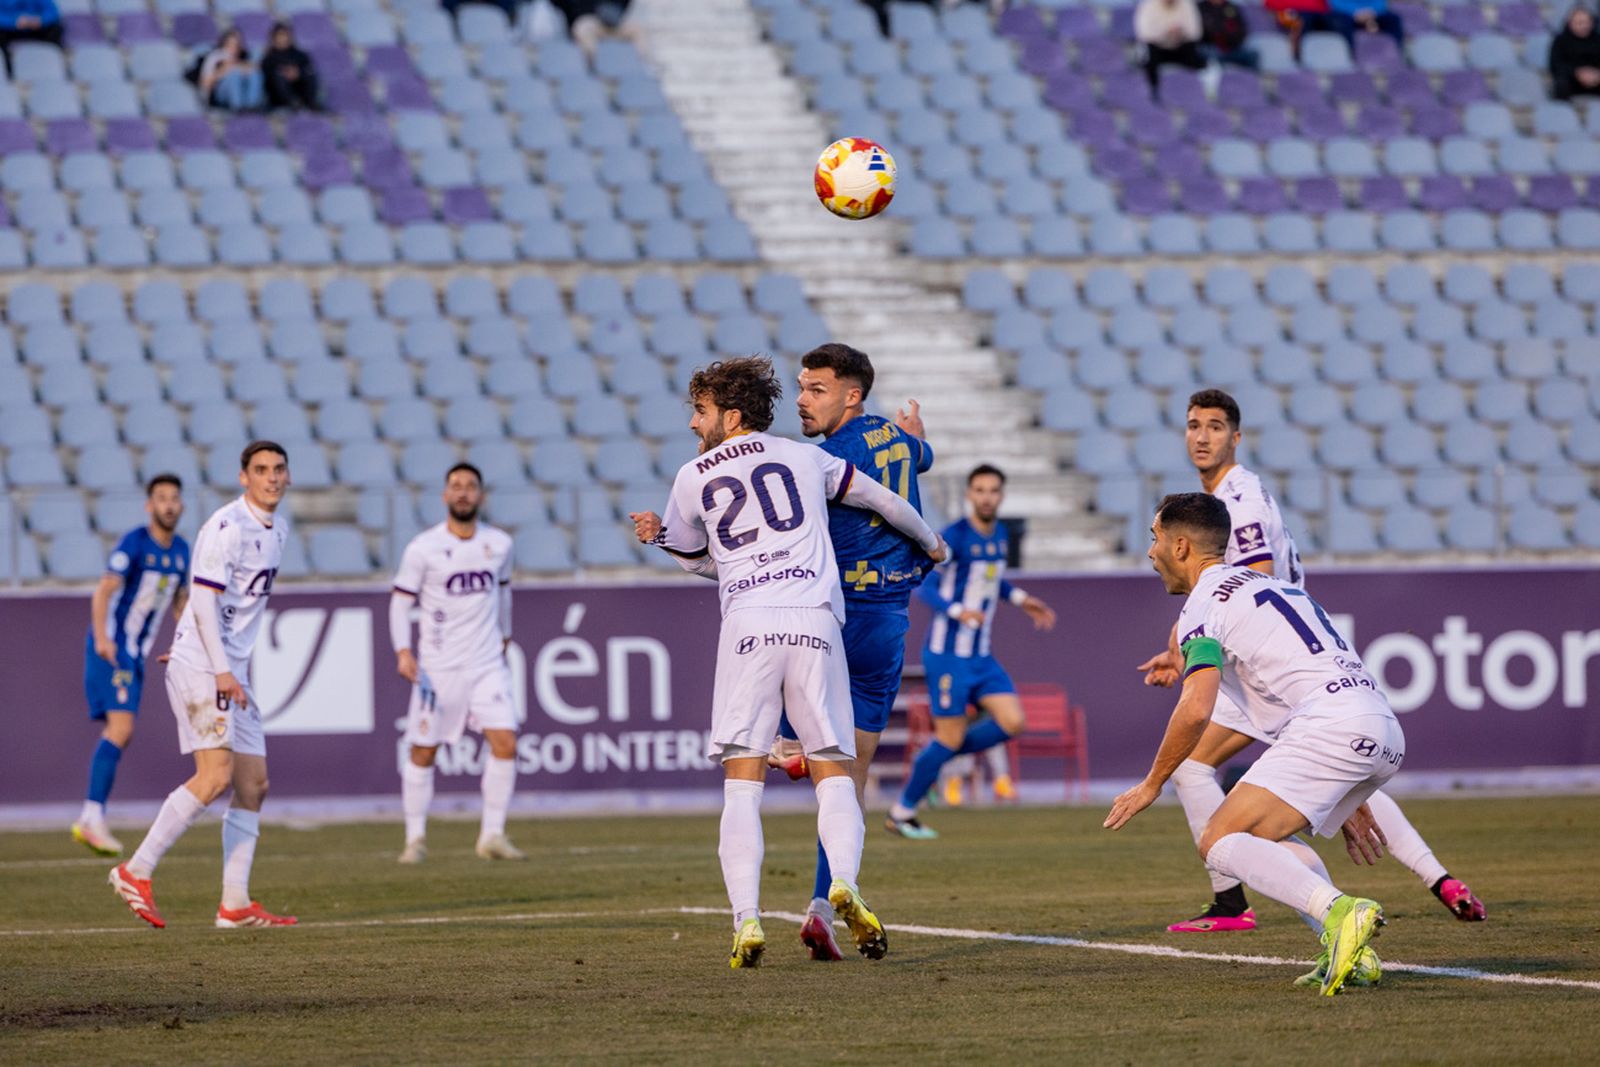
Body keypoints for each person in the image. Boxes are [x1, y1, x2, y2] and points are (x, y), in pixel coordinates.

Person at [629, 356, 948, 968]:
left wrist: (661, 536)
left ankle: (747, 919)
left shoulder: (692, 476)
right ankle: (844, 887)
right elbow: (886, 501)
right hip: (816, 619)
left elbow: (701, 561)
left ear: (730, 414)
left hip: (749, 621)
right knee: (836, 770)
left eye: (699, 411)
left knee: (742, 783)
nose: (693, 424)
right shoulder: (807, 458)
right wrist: (934, 542)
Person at [1138, 390, 1484, 933]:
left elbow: (1240, 582)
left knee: (1216, 821)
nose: (1202, 436)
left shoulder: (1239, 502)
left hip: (1271, 669)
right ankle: (1400, 898)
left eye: (1214, 426)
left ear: (1237, 436)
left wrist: (1147, 781)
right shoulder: (1231, 499)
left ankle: (1256, 904)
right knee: (1290, 796)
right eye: (1192, 426)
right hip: (1333, 688)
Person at [1107, 493, 1401, 995]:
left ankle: (1339, 912)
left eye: (1154, 540)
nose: (1150, 553)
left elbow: (1196, 706)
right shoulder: (1270, 584)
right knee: (1261, 836)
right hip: (1380, 727)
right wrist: (1351, 781)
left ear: (1180, 546)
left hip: (1329, 727)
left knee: (1218, 842)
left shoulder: (1203, 603)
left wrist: (1152, 783)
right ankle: (1350, 953)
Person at [766, 342, 937, 962]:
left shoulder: (826, 458)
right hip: (889, 621)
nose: (802, 400)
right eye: (802, 387)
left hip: (834, 613)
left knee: (806, 736)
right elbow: (924, 455)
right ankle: (825, 902)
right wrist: (915, 435)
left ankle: (785, 741)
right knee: (850, 776)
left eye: (816, 389)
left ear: (851, 394)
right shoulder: (895, 440)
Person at [109, 442, 297, 930]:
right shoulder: (226, 527)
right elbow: (206, 602)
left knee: (253, 784)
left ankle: (234, 904)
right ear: (243, 478)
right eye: (261, 471)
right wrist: (213, 663)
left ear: (288, 477)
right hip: (213, 667)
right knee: (214, 776)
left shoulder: (279, 531)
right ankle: (136, 870)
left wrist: (218, 658)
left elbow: (218, 605)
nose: (271, 478)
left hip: (231, 667)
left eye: (278, 470)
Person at [886, 465, 1057, 838]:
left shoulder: (998, 535)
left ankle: (935, 756)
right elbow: (923, 585)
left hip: (981, 656)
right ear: (969, 495)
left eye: (993, 490)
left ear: (1001, 495)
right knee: (949, 738)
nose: (986, 496)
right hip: (948, 655)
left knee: (1012, 722)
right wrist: (958, 610)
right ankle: (902, 812)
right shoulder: (954, 537)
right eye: (979, 490)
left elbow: (992, 582)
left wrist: (1023, 599)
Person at [389, 463, 523, 865]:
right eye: (456, 486)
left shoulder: (499, 544)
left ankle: (492, 835)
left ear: (481, 495)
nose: (463, 493)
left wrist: (505, 632)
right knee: (423, 751)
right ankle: (415, 838)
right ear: (445, 496)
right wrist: (402, 650)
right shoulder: (423, 548)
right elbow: (400, 601)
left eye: (470, 486)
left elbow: (503, 593)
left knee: (506, 742)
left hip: (486, 664)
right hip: (438, 668)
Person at [71, 475, 190, 858]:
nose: (168, 505)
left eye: (174, 498)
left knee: (121, 731)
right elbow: (104, 590)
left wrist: (186, 640)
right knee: (121, 728)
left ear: (181, 506)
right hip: (114, 650)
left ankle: (93, 815)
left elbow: (180, 602)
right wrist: (104, 639)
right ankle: (91, 818)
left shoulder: (182, 551)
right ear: (149, 506)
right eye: (161, 498)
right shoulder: (134, 543)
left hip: (135, 654)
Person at [1135, 0, 1206, 98]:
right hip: (1158, 47)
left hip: (1181, 46)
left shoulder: (1187, 4)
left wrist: (1180, 32)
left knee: (1197, 56)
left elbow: (1196, 32)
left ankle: (1192, 92)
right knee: (1149, 56)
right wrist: (1166, 32)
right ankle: (1154, 92)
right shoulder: (1148, 6)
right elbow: (1144, 34)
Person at [200, 29, 265, 112]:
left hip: (245, 93)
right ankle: (238, 108)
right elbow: (205, 83)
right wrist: (223, 70)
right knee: (235, 74)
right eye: (231, 44)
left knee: (255, 74)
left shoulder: (245, 56)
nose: (234, 47)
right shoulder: (215, 57)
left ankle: (252, 107)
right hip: (222, 94)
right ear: (224, 43)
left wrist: (245, 68)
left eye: (237, 44)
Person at [260, 21, 320, 111]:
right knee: (278, 75)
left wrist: (297, 73)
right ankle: (292, 103)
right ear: (274, 38)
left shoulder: (300, 54)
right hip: (277, 96)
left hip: (298, 88)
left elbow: (307, 67)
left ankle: (310, 102)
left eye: (286, 35)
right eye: (280, 35)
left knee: (310, 73)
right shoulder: (269, 56)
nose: (283, 38)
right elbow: (265, 73)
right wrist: (284, 72)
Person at [0, 0, 62, 78]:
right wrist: (14, 22)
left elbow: (53, 12)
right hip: (11, 30)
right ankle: (8, 71)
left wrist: (40, 20)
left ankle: (55, 66)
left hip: (36, 29)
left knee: (55, 29)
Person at [1550, 7, 1600, 101]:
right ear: (1570, 23)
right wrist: (1577, 73)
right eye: (1579, 23)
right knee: (1561, 83)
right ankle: (1564, 113)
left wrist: (1596, 74)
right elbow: (1556, 65)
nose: (1584, 26)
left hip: (1596, 80)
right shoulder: (1560, 41)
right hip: (1572, 81)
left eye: (1587, 22)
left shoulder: (1597, 40)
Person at [1327, 0, 1404, 57]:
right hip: (1347, 14)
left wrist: (1371, 13)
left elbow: (1381, 3)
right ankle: (1350, 55)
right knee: (1341, 22)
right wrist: (1355, 12)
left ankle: (1397, 54)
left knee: (1393, 19)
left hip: (1373, 14)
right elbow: (1335, 3)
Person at [1199, 0, 1259, 70]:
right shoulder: (1202, 7)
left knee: (1252, 55)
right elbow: (1203, 31)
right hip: (1211, 47)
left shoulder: (1230, 7)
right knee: (1207, 55)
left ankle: (1251, 79)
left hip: (1232, 47)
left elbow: (1242, 29)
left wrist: (1231, 38)